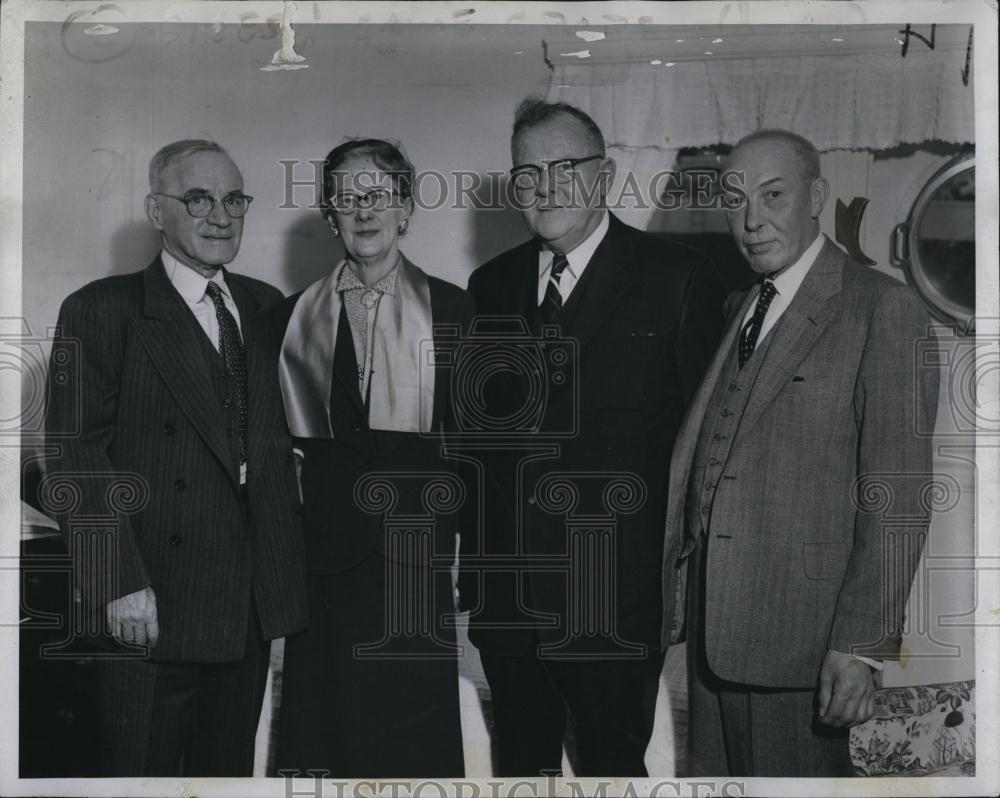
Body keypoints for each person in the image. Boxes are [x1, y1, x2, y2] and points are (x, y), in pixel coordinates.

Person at [661, 130, 940, 776]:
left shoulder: (882, 309)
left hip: (804, 651)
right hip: (713, 648)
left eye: (773, 195)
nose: (752, 220)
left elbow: (897, 500)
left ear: (816, 196)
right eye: (735, 201)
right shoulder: (740, 305)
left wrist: (861, 647)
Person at [460, 99, 723, 776]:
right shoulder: (488, 287)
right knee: (520, 770)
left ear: (603, 176)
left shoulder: (676, 280)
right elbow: (477, 450)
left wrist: (683, 589)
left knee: (613, 771)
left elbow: (706, 457)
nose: (543, 187)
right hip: (509, 605)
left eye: (563, 168)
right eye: (526, 173)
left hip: (616, 602)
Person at [44, 139, 308, 776]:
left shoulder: (266, 304)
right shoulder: (104, 308)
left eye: (234, 200)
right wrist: (119, 582)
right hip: (149, 605)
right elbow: (73, 454)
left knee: (226, 781)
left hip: (245, 607)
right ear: (157, 211)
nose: (221, 216)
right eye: (198, 199)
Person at [272, 138, 470, 777]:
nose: (363, 211)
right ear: (330, 216)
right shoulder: (289, 320)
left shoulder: (456, 312)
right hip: (325, 564)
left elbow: (474, 454)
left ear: (406, 208)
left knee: (410, 747)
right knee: (326, 744)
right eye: (346, 199)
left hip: (413, 560)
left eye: (378, 196)